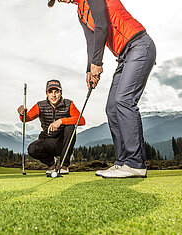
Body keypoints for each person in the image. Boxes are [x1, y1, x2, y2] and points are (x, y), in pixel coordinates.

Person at [46, 0, 156, 178]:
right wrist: (89, 70)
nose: (61, 0)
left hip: (139, 45)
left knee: (124, 101)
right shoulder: (81, 12)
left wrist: (98, 63)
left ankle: (136, 163)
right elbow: (92, 41)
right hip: (124, 55)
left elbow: (102, 27)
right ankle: (122, 163)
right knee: (112, 108)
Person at [17, 79, 85, 174]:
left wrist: (61, 121)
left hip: (63, 142)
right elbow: (26, 119)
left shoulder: (69, 104)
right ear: (47, 93)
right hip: (48, 141)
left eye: (56, 92)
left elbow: (81, 120)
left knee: (70, 128)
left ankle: (64, 166)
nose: (53, 95)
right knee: (32, 149)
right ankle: (51, 164)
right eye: (50, 92)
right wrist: (22, 114)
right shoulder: (40, 105)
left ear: (61, 93)